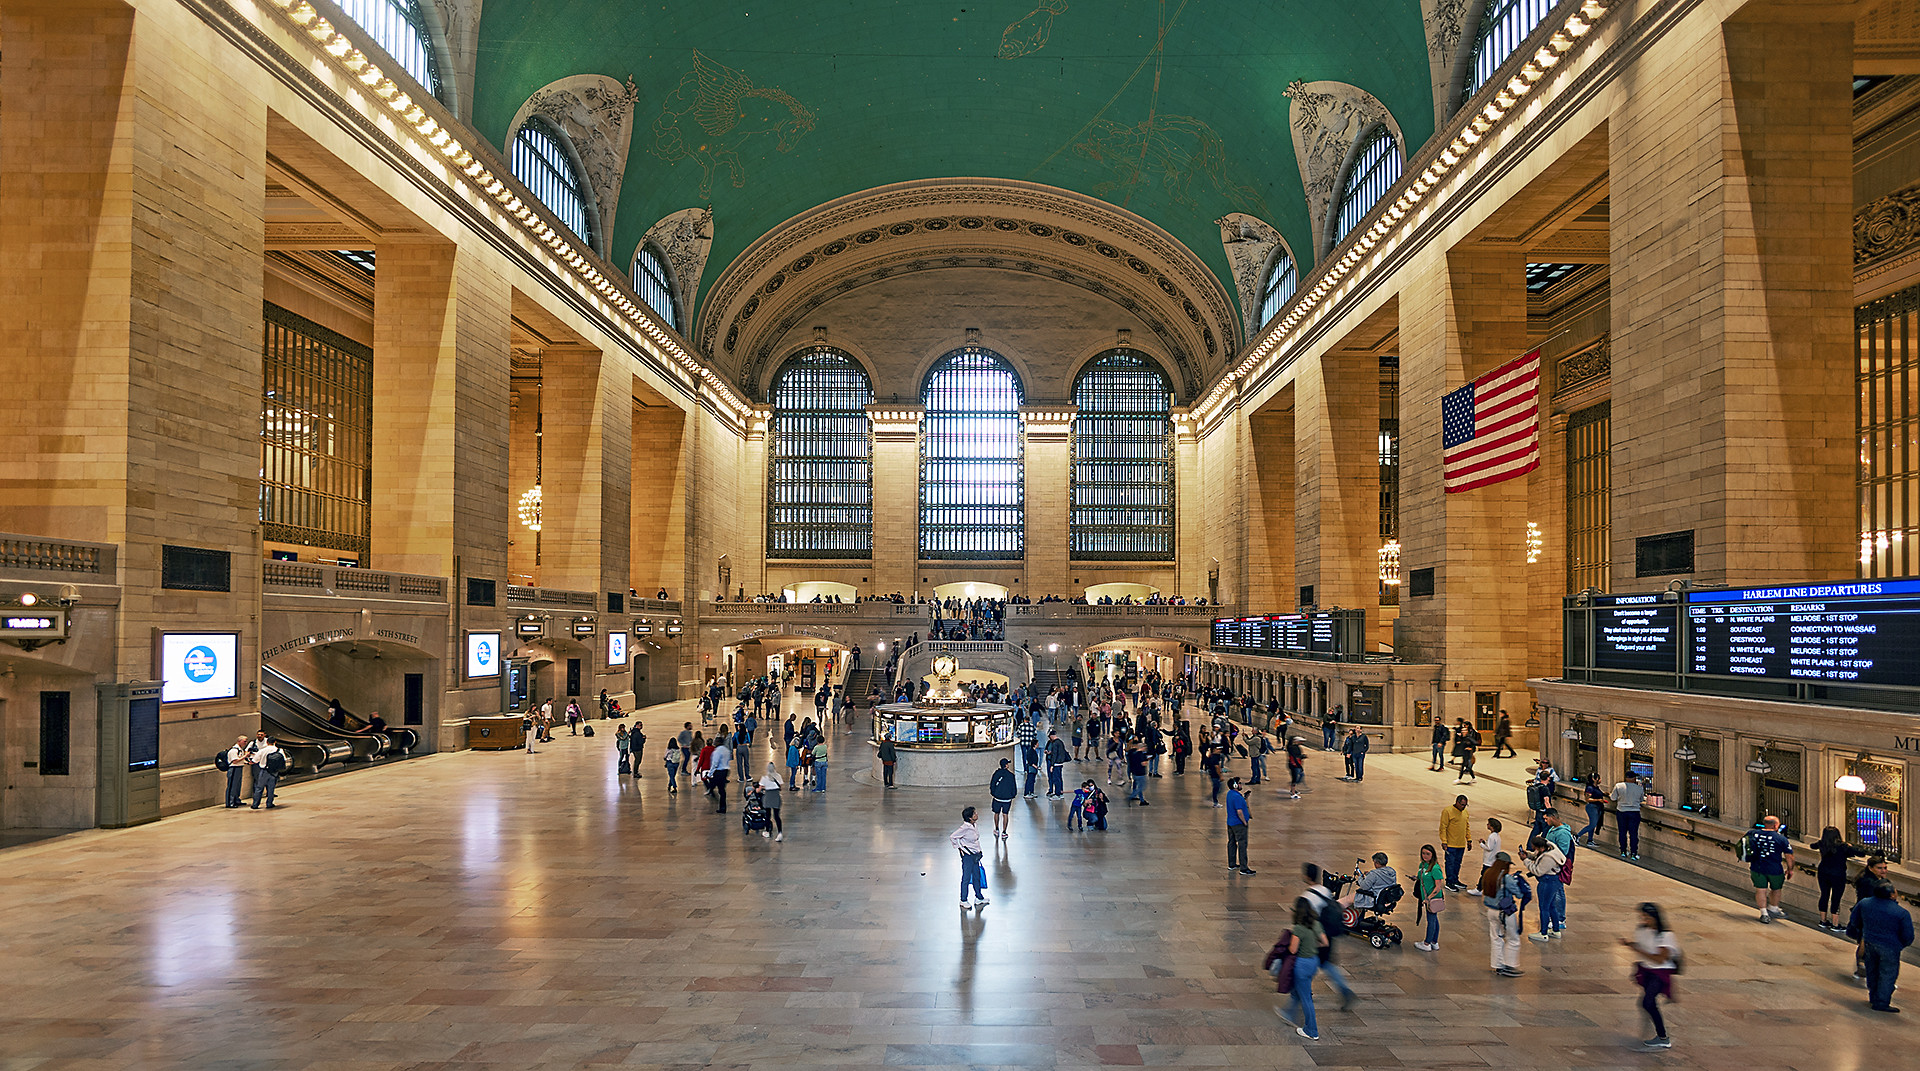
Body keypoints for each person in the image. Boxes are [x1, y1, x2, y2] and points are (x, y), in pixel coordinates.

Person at [1848, 879, 1914, 1013]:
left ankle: (1873, 996)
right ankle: (1882, 1002)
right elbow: (1908, 935)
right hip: (1890, 946)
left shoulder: (1865, 903)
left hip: (1869, 942)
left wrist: (1864, 932)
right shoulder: (1901, 913)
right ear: (1892, 895)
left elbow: (1854, 921)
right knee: (1887, 974)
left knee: (1872, 971)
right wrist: (1901, 945)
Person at [1621, 902, 1680, 1049]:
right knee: (1648, 1002)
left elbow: (1660, 959)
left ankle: (1663, 1038)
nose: (1644, 920)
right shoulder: (1642, 930)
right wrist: (1630, 944)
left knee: (1647, 1002)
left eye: (1647, 917)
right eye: (1642, 917)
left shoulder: (1666, 936)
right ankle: (1656, 1023)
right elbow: (1642, 945)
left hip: (1659, 973)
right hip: (1647, 970)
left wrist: (1639, 950)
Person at [1274, 896, 1328, 1041]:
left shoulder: (1299, 928)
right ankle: (1289, 1014)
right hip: (1313, 962)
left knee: (1306, 998)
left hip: (1302, 965)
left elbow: (1293, 949)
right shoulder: (1316, 924)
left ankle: (1311, 1030)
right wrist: (1313, 946)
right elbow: (1325, 942)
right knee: (1298, 992)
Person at [1810, 826, 1864, 931]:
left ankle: (1823, 920)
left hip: (1823, 872)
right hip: (1838, 874)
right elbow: (1861, 853)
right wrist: (1850, 846)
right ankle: (1835, 924)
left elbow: (1812, 846)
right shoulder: (1843, 846)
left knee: (1824, 895)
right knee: (1836, 898)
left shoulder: (1822, 844)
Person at [1481, 851, 1525, 977]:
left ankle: (1497, 965)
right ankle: (1509, 965)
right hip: (1505, 912)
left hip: (1491, 911)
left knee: (1496, 938)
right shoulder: (1506, 878)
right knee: (1513, 938)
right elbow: (1519, 894)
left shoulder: (1488, 874)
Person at [1744, 815, 1792, 923]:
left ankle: (1764, 913)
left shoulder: (1752, 833)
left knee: (1761, 890)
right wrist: (1790, 869)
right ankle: (1773, 908)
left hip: (1757, 867)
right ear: (1775, 826)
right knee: (1776, 888)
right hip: (1775, 869)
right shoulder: (1781, 838)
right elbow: (1789, 855)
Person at [1522, 835, 1567, 942]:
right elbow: (1537, 856)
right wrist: (1528, 855)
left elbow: (1538, 871)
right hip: (1553, 881)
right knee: (1551, 906)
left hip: (1547, 882)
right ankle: (1556, 930)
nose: (1534, 850)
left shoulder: (1548, 858)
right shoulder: (1550, 848)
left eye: (1534, 847)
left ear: (1539, 847)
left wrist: (1525, 861)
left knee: (1544, 907)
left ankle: (1543, 933)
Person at [952, 806, 989, 908]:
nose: (977, 814)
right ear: (970, 818)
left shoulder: (974, 825)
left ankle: (979, 897)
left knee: (977, 876)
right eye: (974, 814)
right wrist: (960, 849)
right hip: (968, 857)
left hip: (975, 855)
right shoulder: (964, 828)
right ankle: (963, 899)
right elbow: (953, 837)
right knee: (966, 877)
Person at [1412, 844, 1445, 951]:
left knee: (1431, 920)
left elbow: (1438, 887)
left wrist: (1428, 898)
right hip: (1426, 897)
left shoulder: (1435, 868)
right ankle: (1434, 942)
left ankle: (1427, 943)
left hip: (1432, 898)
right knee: (1434, 919)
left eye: (1427, 854)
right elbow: (1423, 877)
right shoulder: (1422, 865)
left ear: (1432, 855)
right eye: (1423, 853)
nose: (1425, 856)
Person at [1440, 796, 1473, 891]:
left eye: (1465, 805)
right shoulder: (1447, 811)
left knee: (1457, 863)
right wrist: (1444, 841)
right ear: (1457, 802)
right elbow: (1443, 827)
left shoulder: (1465, 812)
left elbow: (1467, 826)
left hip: (1461, 844)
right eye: (1462, 805)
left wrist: (1469, 839)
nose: (1463, 807)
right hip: (1451, 844)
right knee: (1450, 863)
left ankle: (1455, 880)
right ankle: (1449, 882)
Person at [1611, 773, 1645, 859]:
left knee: (1622, 832)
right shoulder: (1639, 788)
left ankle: (1623, 851)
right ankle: (1634, 853)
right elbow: (1641, 799)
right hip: (1634, 812)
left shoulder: (1618, 786)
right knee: (1633, 834)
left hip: (1621, 811)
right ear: (1633, 778)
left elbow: (1613, 798)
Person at [1224, 778, 1254, 875]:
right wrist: (1244, 822)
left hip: (1230, 823)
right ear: (1235, 785)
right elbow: (1239, 811)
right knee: (1242, 844)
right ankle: (1243, 868)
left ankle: (1232, 864)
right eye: (1239, 783)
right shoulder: (1237, 797)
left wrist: (1244, 799)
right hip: (1239, 824)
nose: (1241, 785)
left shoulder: (1230, 794)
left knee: (1232, 842)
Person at [250, 738, 285, 809]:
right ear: (275, 742)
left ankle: (255, 804)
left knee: (259, 788)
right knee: (271, 788)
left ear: (267, 742)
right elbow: (283, 759)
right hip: (274, 772)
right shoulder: (279, 750)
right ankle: (269, 803)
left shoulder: (262, 750)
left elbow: (255, 760)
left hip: (264, 771)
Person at [1575, 772, 1608, 846]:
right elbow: (1587, 799)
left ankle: (1590, 840)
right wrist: (1598, 800)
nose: (1600, 780)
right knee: (1592, 825)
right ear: (1594, 779)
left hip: (1598, 807)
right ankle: (1577, 836)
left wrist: (1604, 794)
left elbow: (1597, 794)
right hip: (1592, 807)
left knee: (1593, 824)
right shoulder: (1589, 788)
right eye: (1599, 778)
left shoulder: (1596, 788)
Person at [988, 758, 1017, 839]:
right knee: (1005, 814)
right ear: (1006, 765)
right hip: (1007, 798)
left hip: (997, 797)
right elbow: (1014, 787)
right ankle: (1004, 832)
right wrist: (1012, 795)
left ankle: (997, 829)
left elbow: (992, 784)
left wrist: (994, 793)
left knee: (996, 813)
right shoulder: (1011, 775)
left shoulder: (996, 774)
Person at [758, 762, 784, 841]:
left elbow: (759, 789)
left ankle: (767, 831)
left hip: (768, 797)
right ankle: (780, 833)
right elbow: (781, 787)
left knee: (767, 815)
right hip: (776, 797)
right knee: (777, 816)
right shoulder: (778, 776)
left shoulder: (764, 778)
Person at [223, 736, 249, 808]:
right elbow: (235, 761)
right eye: (244, 741)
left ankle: (236, 800)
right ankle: (230, 802)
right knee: (232, 785)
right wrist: (245, 756)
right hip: (234, 768)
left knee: (238, 785)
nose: (245, 743)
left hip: (239, 767)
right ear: (239, 741)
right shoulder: (234, 750)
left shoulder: (240, 750)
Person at [708, 736, 732, 813]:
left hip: (719, 771)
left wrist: (710, 774)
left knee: (714, 786)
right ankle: (722, 806)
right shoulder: (726, 750)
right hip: (725, 770)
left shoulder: (717, 751)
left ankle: (720, 805)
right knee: (721, 789)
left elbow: (715, 763)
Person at [1045, 730, 1070, 799]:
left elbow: (1054, 755)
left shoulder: (1055, 743)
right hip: (1060, 763)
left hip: (1056, 764)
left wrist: (1052, 765)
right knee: (1059, 778)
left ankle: (1057, 794)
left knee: (1056, 779)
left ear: (1051, 736)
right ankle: (1060, 792)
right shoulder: (1060, 742)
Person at [1478, 817, 1503, 884]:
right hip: (1493, 859)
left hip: (1489, 860)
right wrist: (1485, 842)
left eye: (1488, 824)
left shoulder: (1491, 836)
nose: (1487, 825)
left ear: (1492, 827)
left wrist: (1481, 844)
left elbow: (1489, 848)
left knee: (1484, 874)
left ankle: (1479, 888)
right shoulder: (1497, 836)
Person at [1126, 740, 1151, 805]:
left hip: (1135, 773)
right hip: (1140, 773)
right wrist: (1147, 760)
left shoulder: (1134, 753)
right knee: (1141, 787)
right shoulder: (1141, 755)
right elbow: (1143, 763)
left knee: (1138, 786)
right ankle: (1131, 796)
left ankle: (1142, 800)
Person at [1202, 742, 1225, 806]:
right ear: (1214, 749)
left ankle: (1211, 799)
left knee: (1218, 788)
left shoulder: (1212, 756)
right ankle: (1214, 801)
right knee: (1217, 788)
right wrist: (1220, 776)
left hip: (1212, 774)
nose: (1220, 750)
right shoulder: (1214, 757)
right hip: (1215, 775)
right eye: (1218, 749)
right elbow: (1217, 767)